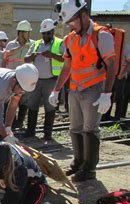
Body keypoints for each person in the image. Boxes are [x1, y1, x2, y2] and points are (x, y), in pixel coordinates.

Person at [50, 0, 117, 182]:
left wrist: (107, 94)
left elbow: (112, 64)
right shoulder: (70, 39)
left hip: (94, 89)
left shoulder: (101, 35)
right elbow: (67, 67)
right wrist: (56, 90)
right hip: (75, 90)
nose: (71, 25)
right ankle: (78, 163)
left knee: (90, 129)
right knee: (75, 128)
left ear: (84, 16)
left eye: (73, 21)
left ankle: (89, 169)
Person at [24, 19, 64, 140]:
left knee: (50, 107)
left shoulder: (60, 43)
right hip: (36, 80)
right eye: (44, 33)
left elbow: (65, 58)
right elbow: (26, 59)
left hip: (51, 80)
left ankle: (48, 134)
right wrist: (32, 56)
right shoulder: (36, 44)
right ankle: (30, 131)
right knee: (32, 105)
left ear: (52, 31)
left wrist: (52, 55)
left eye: (48, 33)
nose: (46, 35)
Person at [4, 20, 35, 130]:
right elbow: (7, 55)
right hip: (13, 78)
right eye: (27, 32)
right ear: (21, 33)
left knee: (24, 101)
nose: (28, 35)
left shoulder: (32, 44)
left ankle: (20, 122)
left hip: (25, 77)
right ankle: (12, 122)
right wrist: (22, 47)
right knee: (12, 100)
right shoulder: (11, 44)